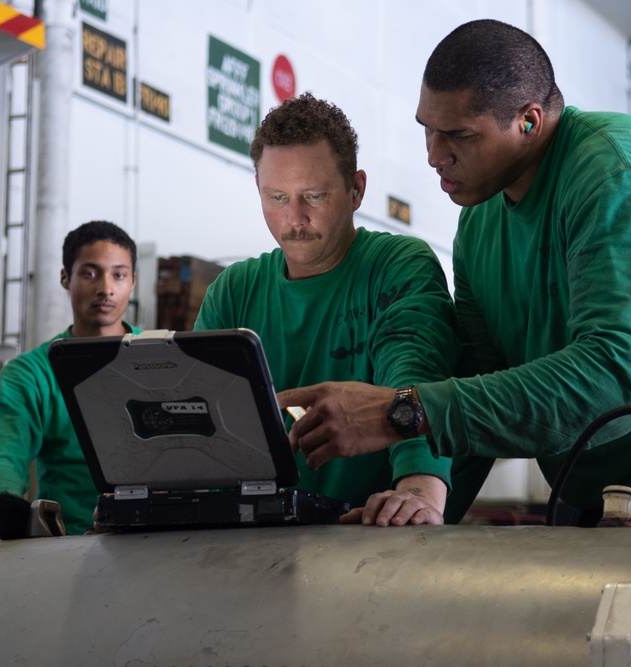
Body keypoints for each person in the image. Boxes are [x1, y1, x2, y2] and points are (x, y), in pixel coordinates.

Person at [280, 19, 631, 529]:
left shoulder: (621, 176)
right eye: (427, 129)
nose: (433, 156)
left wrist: (402, 411)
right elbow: (478, 386)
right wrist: (424, 499)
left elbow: (618, 387)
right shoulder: (479, 221)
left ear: (529, 121)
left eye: (459, 136)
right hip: (594, 493)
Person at [193, 92, 460, 527]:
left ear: (356, 190)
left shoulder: (396, 266)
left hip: (370, 535)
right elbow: (202, 422)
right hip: (250, 543)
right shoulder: (233, 292)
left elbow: (415, 369)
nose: (295, 218)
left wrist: (418, 491)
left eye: (314, 197)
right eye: (277, 198)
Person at [0, 220, 140, 534]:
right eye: (90, 273)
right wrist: (5, 520)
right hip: (66, 547)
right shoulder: (28, 376)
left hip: (156, 539)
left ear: (133, 281)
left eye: (118, 275)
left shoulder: (162, 359)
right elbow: (4, 462)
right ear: (66, 278)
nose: (105, 288)